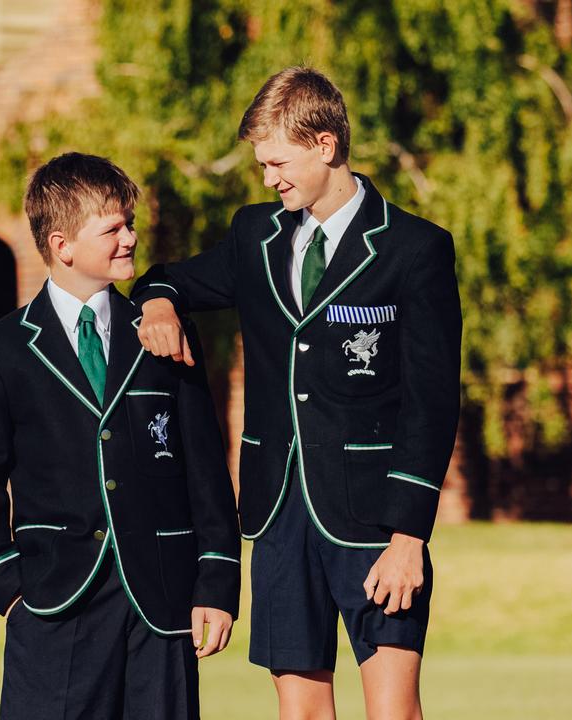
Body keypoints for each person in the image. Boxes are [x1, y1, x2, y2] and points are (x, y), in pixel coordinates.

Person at [132, 67, 462, 719]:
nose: (268, 178)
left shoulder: (414, 249)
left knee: (393, 712)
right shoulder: (255, 236)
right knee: (301, 712)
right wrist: (161, 307)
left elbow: (432, 399)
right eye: (262, 164)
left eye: (278, 162)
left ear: (325, 146)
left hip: (374, 518)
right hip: (278, 513)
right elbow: (166, 278)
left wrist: (408, 538)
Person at [0, 152, 241, 720]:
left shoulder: (164, 335)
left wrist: (217, 581)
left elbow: (205, 470)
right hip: (53, 599)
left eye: (129, 224)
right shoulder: (0, 350)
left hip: (162, 600)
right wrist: (6, 586)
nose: (130, 238)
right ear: (62, 245)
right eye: (113, 228)